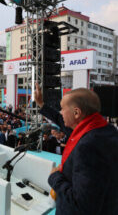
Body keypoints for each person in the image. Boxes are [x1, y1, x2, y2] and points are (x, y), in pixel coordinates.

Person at [34, 83, 118, 215]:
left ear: (76, 112)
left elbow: (82, 205)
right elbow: (60, 120)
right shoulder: (104, 130)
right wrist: (41, 104)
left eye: (62, 109)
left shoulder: (88, 147)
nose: (60, 113)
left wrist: (54, 177)